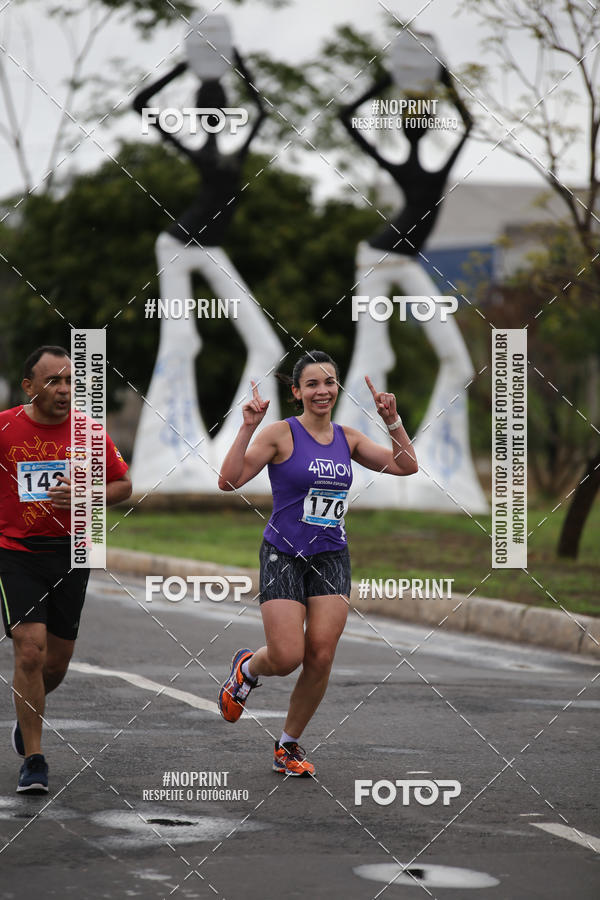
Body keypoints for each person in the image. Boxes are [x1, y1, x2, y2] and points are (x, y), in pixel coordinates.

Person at [216, 350, 418, 776]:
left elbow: (406, 466)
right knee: (288, 656)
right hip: (283, 554)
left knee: (321, 655)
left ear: (337, 388)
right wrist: (248, 427)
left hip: (330, 556)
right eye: (312, 384)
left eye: (329, 382)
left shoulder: (349, 438)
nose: (322, 391)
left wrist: (392, 419)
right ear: (296, 392)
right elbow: (228, 480)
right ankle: (248, 668)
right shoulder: (279, 435)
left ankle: (288, 746)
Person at [0, 346, 132, 794]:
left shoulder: (89, 433)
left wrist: (85, 494)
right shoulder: (4, 428)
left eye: (70, 381)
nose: (64, 390)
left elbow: (123, 485)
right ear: (29, 387)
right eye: (53, 381)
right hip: (15, 551)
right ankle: (35, 759)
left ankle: (26, 715)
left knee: (55, 664)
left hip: (73, 551)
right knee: (30, 650)